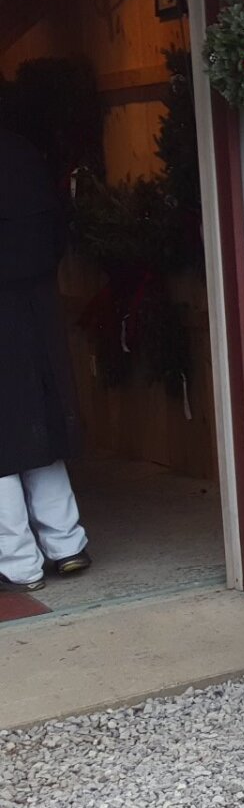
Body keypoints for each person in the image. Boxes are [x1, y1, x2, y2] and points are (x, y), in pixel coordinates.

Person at [0, 128, 92, 592]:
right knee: (43, 429)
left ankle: (18, 565)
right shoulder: (22, 151)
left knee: (4, 443)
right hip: (38, 309)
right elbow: (57, 231)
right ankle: (67, 545)